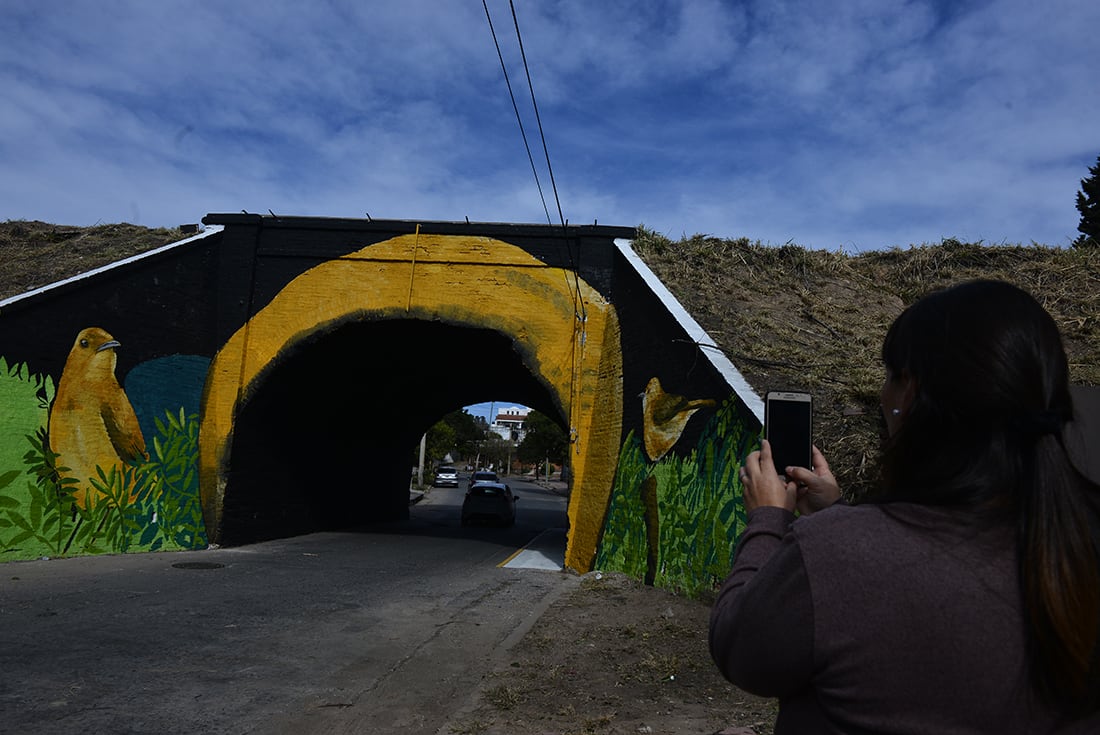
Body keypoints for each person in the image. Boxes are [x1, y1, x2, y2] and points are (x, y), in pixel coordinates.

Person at [709, 280, 1100, 733]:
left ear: (910, 393)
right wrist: (837, 512)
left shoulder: (834, 555)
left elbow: (742, 650)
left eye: (891, 375)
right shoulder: (1081, 543)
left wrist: (766, 521)